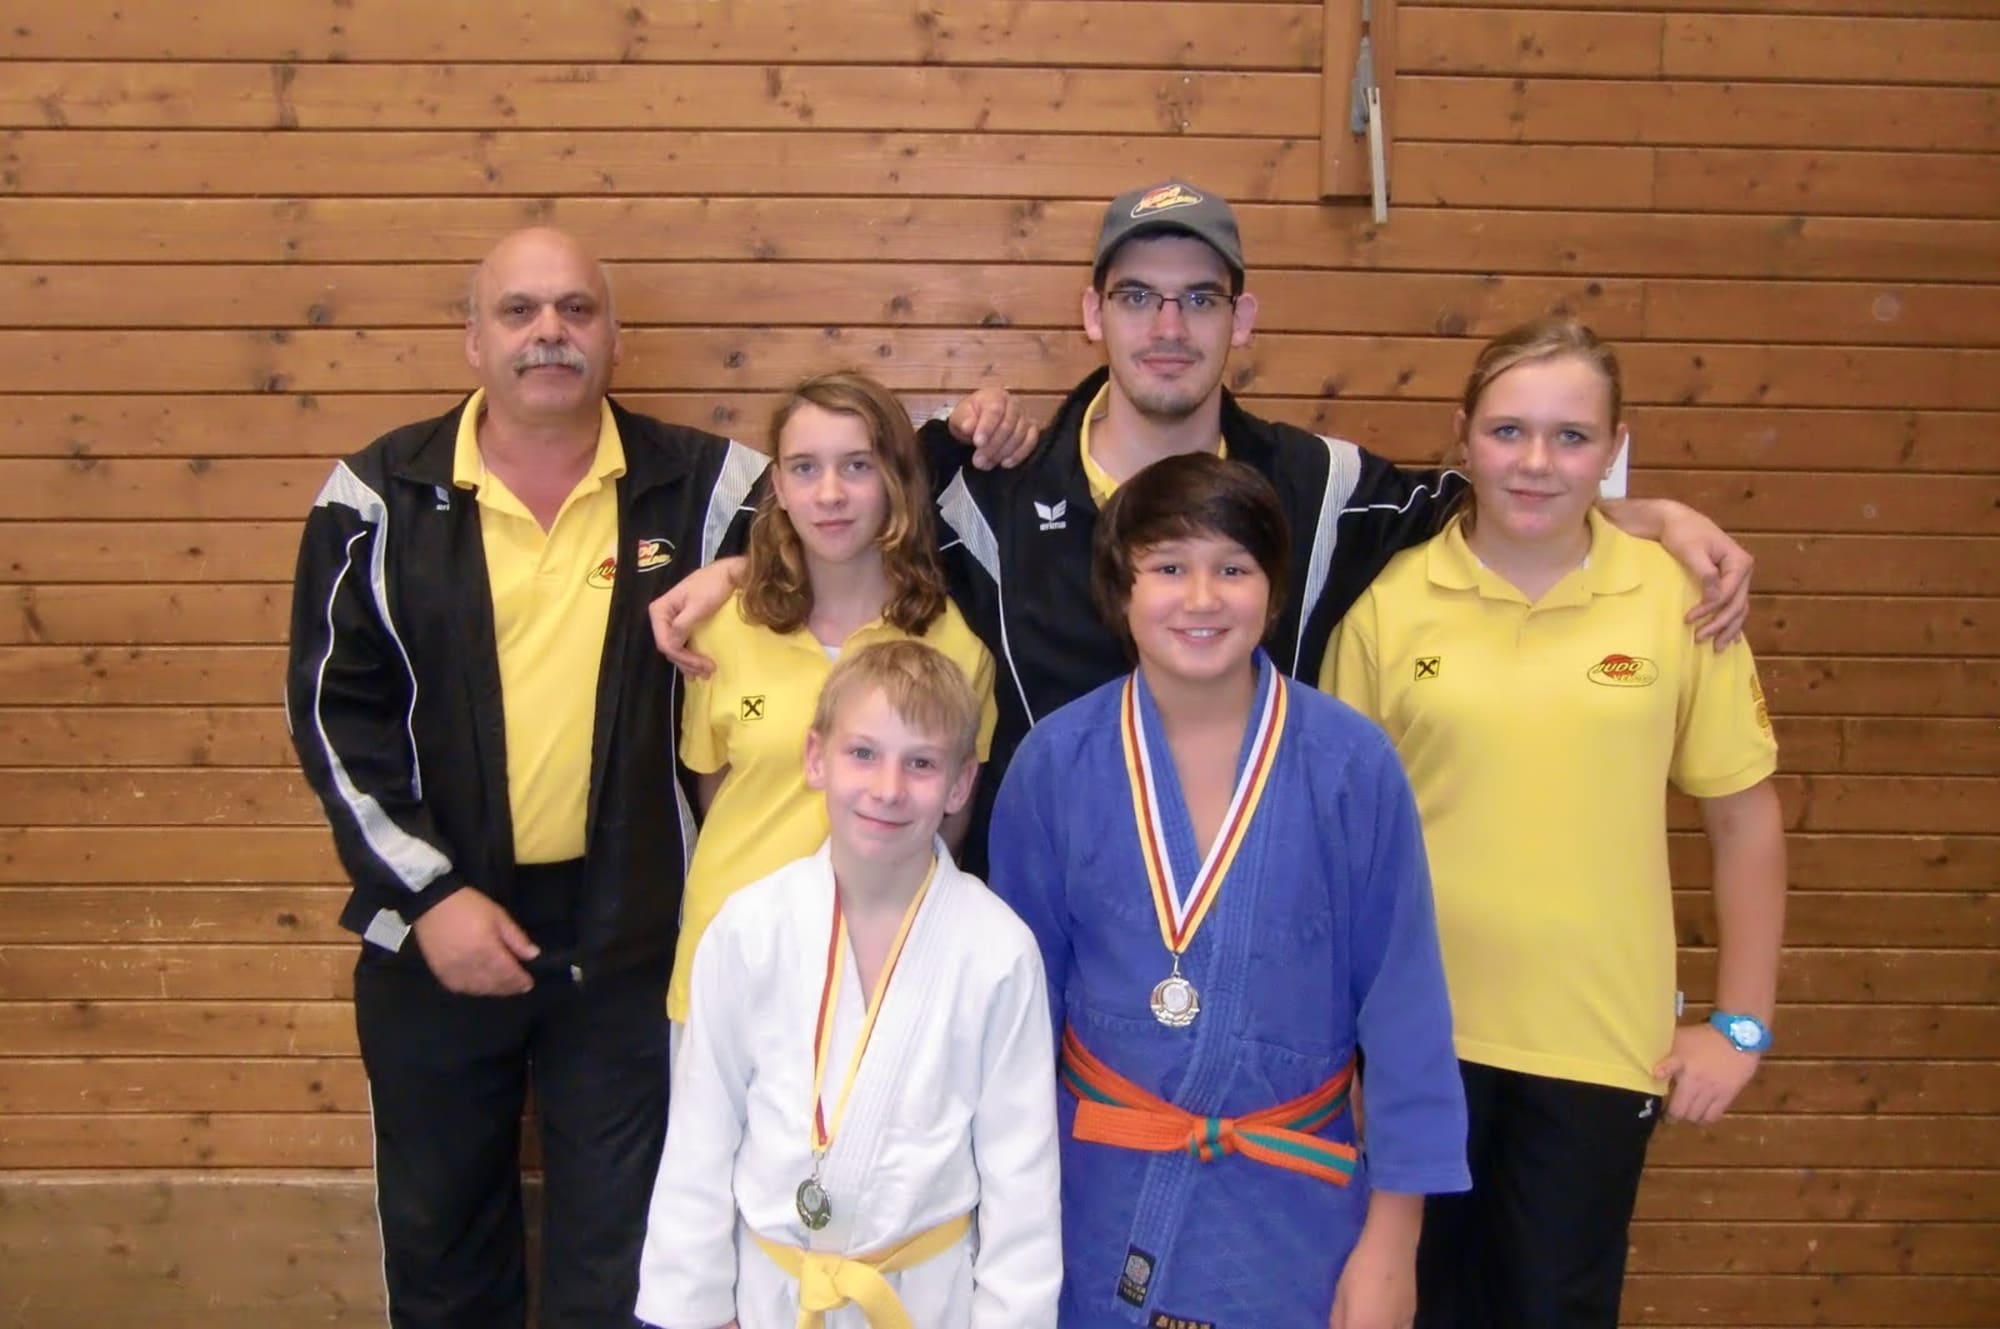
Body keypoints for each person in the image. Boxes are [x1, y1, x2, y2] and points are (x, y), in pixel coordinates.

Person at [284, 228, 1029, 1329]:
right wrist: (430, 895)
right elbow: (332, 714)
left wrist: (962, 431)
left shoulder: (704, 486)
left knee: (619, 1257)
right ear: (473, 339)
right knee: (442, 1245)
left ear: (614, 337)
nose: (549, 333)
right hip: (437, 927)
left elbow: (849, 487)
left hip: (625, 940)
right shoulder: (378, 496)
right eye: (519, 311)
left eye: (576, 310)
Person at [651, 180, 1755, 872]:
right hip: (1040, 922)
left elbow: (1499, 490)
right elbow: (840, 500)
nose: (1168, 326)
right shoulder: (989, 481)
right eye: (1137, 296)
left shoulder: (1318, 486)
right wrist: (740, 566)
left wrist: (1642, 513)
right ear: (1092, 313)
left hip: (1246, 913)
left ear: (1243, 317)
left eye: (1199, 297)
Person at [1322, 318, 1787, 1327]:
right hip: (1414, 1046)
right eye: (1508, 431)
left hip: (1597, 1051)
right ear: (1462, 437)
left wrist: (1740, 1025)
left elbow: (1743, 819)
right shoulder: (1387, 606)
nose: (1536, 461)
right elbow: (1335, 852)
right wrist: (1336, 1046)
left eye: (1571, 436)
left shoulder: (1680, 599)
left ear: (1613, 448)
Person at [988, 454, 1469, 1328]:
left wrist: (1393, 1242)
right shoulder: (1054, 763)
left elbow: (1407, 1013)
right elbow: (1016, 1024)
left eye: (1234, 568)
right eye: (1170, 566)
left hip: (1292, 1212)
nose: (1202, 598)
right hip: (1091, 1198)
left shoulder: (1352, 766)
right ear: (1120, 588)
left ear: (1274, 591)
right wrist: (1002, 1224)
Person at [638, 640, 1062, 1329]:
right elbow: (700, 1139)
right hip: (770, 1294)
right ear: (816, 758)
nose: (888, 788)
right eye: (862, 753)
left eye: (921, 763)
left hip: (927, 1300)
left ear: (961, 784)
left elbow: (1023, 1177)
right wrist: (698, 1310)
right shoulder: (749, 929)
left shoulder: (998, 950)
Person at [668, 371, 997, 1048]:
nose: (829, 494)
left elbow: (949, 818)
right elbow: (715, 792)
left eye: (857, 465)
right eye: (804, 468)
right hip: (730, 972)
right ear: (778, 487)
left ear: (896, 480)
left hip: (882, 980)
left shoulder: (952, 644)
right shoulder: (721, 629)